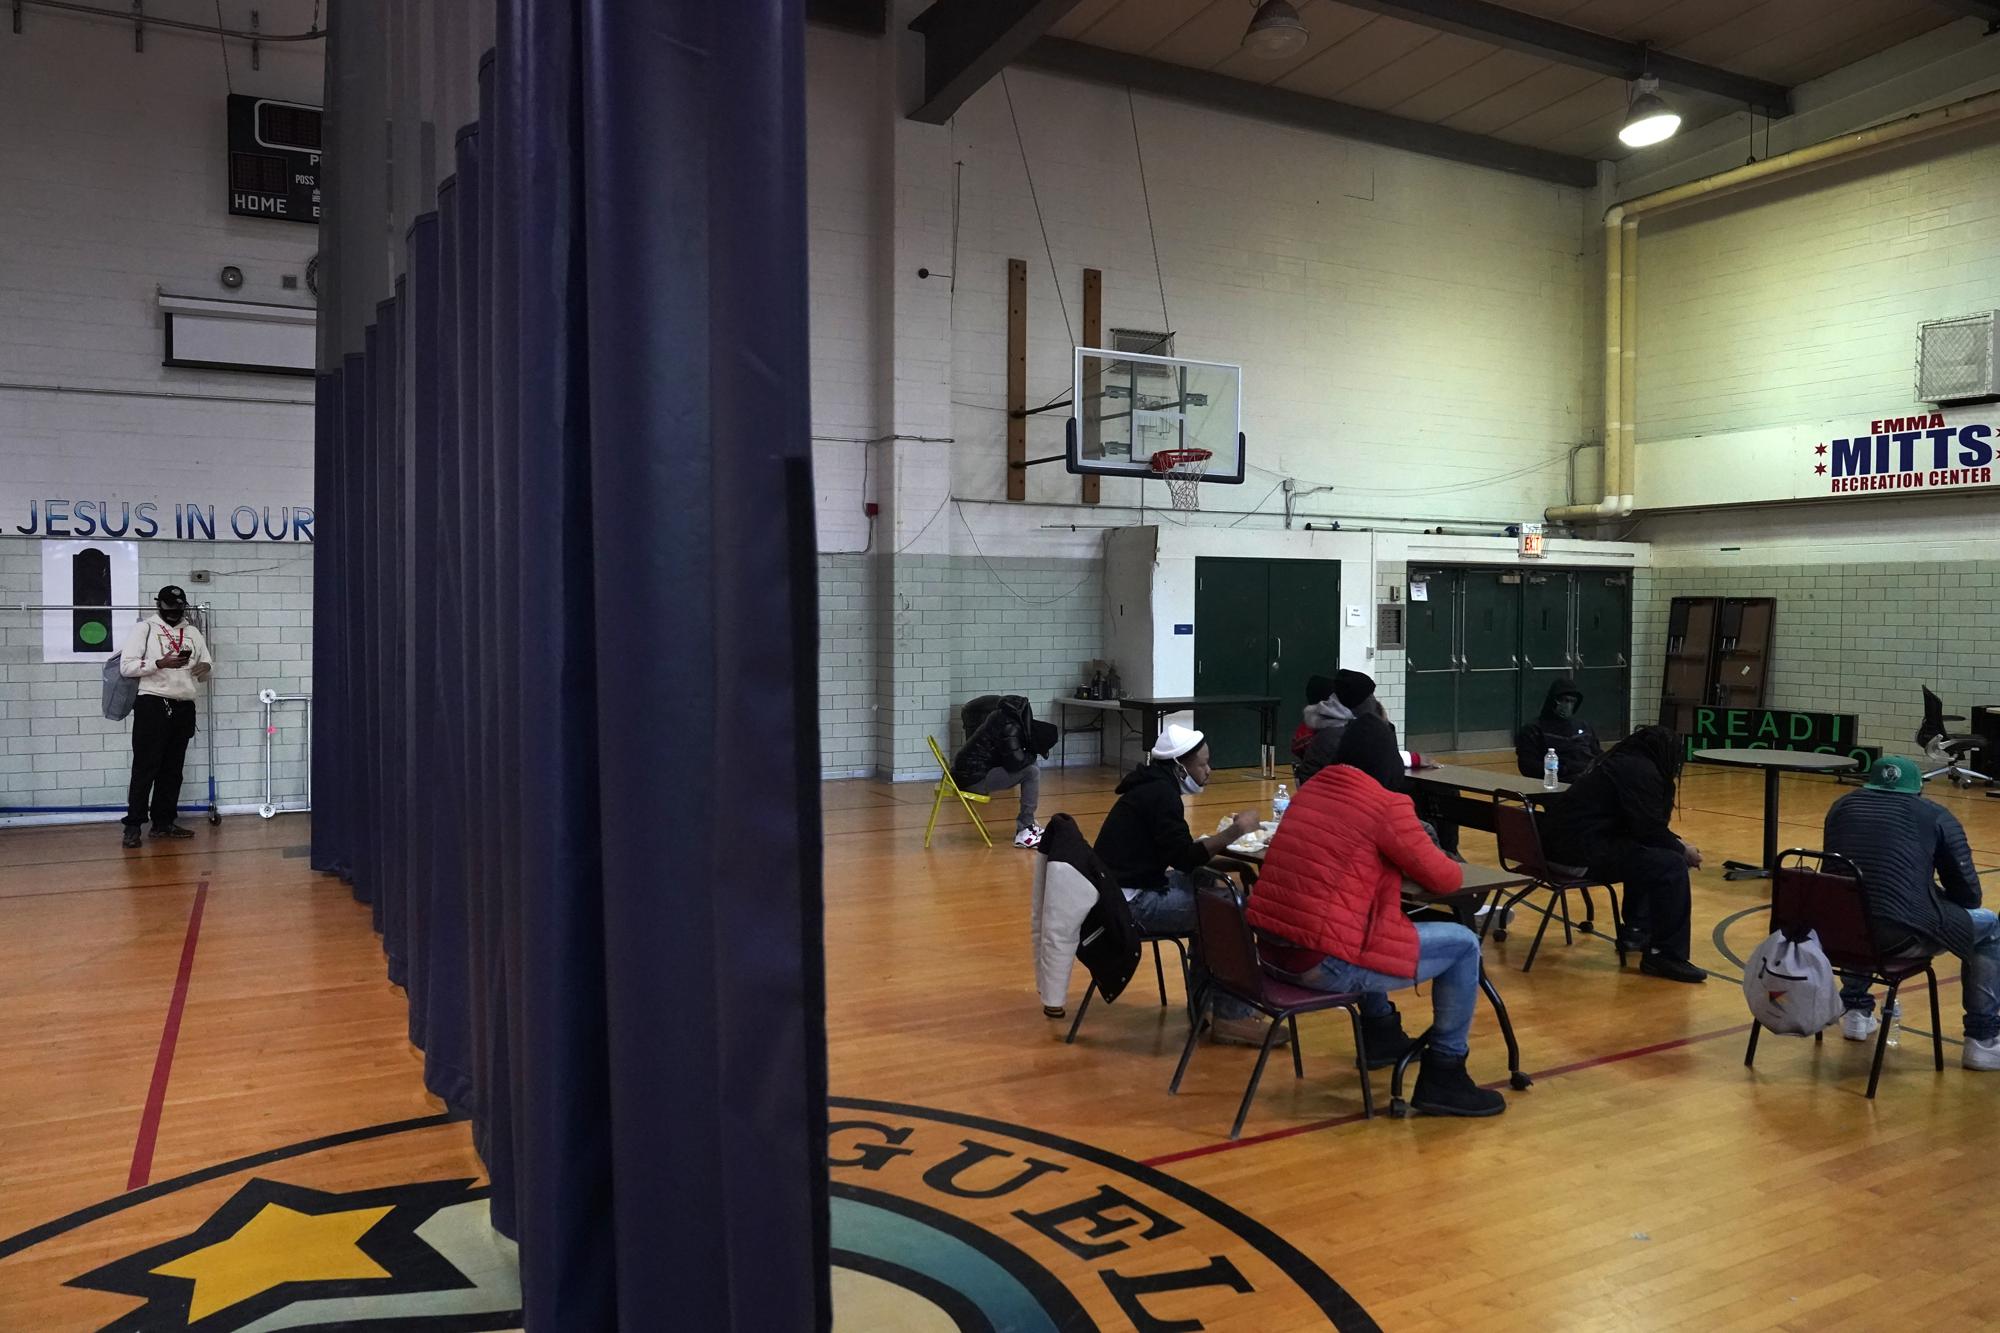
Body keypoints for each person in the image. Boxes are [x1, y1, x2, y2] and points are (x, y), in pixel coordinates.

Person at [1251, 714, 1501, 1116]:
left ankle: (1381, 1032)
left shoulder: (1312, 789)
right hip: (1320, 962)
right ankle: (1446, 1072)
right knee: (1465, 944)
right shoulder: (1385, 804)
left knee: (1361, 923)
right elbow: (1444, 877)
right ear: (1387, 763)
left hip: (1273, 955)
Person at [1093, 724, 1275, 1046]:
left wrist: (1231, 864)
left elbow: (1178, 855)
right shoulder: (1161, 796)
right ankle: (1232, 1017)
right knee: (1230, 911)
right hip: (1129, 904)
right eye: (1203, 763)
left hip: (1120, 891)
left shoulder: (1151, 786)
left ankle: (1205, 1004)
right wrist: (1236, 832)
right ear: (1180, 765)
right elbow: (1185, 859)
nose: (1209, 770)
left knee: (1214, 891)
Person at [1823, 755, 1999, 1068]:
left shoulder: (1841, 808)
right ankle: (1982, 1039)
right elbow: (1969, 896)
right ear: (1917, 789)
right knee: (1991, 927)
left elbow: (1837, 876)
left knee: (1862, 906)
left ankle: (1855, 1010)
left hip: (1837, 935)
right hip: (1898, 937)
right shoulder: (1935, 816)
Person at [1537, 725, 1707, 983]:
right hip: (1574, 857)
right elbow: (1649, 828)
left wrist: (1675, 844)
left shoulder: (1617, 764)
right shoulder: (1640, 772)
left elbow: (1642, 828)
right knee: (1669, 864)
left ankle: (1636, 931)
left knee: (1647, 855)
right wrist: (1683, 850)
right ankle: (1666, 955)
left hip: (1550, 851)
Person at [118, 585, 213, 848]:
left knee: (172, 770)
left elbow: (205, 667)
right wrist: (159, 663)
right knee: (146, 767)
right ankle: (134, 825)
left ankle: (163, 822)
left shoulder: (192, 632)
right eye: (170, 607)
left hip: (183, 705)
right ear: (159, 604)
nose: (175, 612)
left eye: (179, 607)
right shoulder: (145, 628)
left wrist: (205, 668)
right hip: (152, 703)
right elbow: (127, 667)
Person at [951, 694, 1058, 848]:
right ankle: (1024, 832)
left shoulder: (1002, 717)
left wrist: (1028, 757)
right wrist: (1031, 754)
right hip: (973, 779)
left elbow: (1011, 758)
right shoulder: (1010, 726)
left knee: (1032, 766)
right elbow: (1015, 763)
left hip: (968, 773)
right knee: (1032, 772)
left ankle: (1028, 823)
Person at [1294, 669, 1380, 785]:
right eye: (1370, 697)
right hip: (1331, 794)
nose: (1373, 701)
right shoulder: (1333, 735)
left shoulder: (1370, 727)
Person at [1513, 677, 1602, 782]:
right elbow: (1528, 766)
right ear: (1553, 700)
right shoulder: (1534, 730)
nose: (1568, 705)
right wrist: (1563, 769)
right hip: (1557, 782)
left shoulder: (1584, 727)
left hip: (1588, 780)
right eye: (1564, 700)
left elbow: (1599, 756)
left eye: (1572, 701)